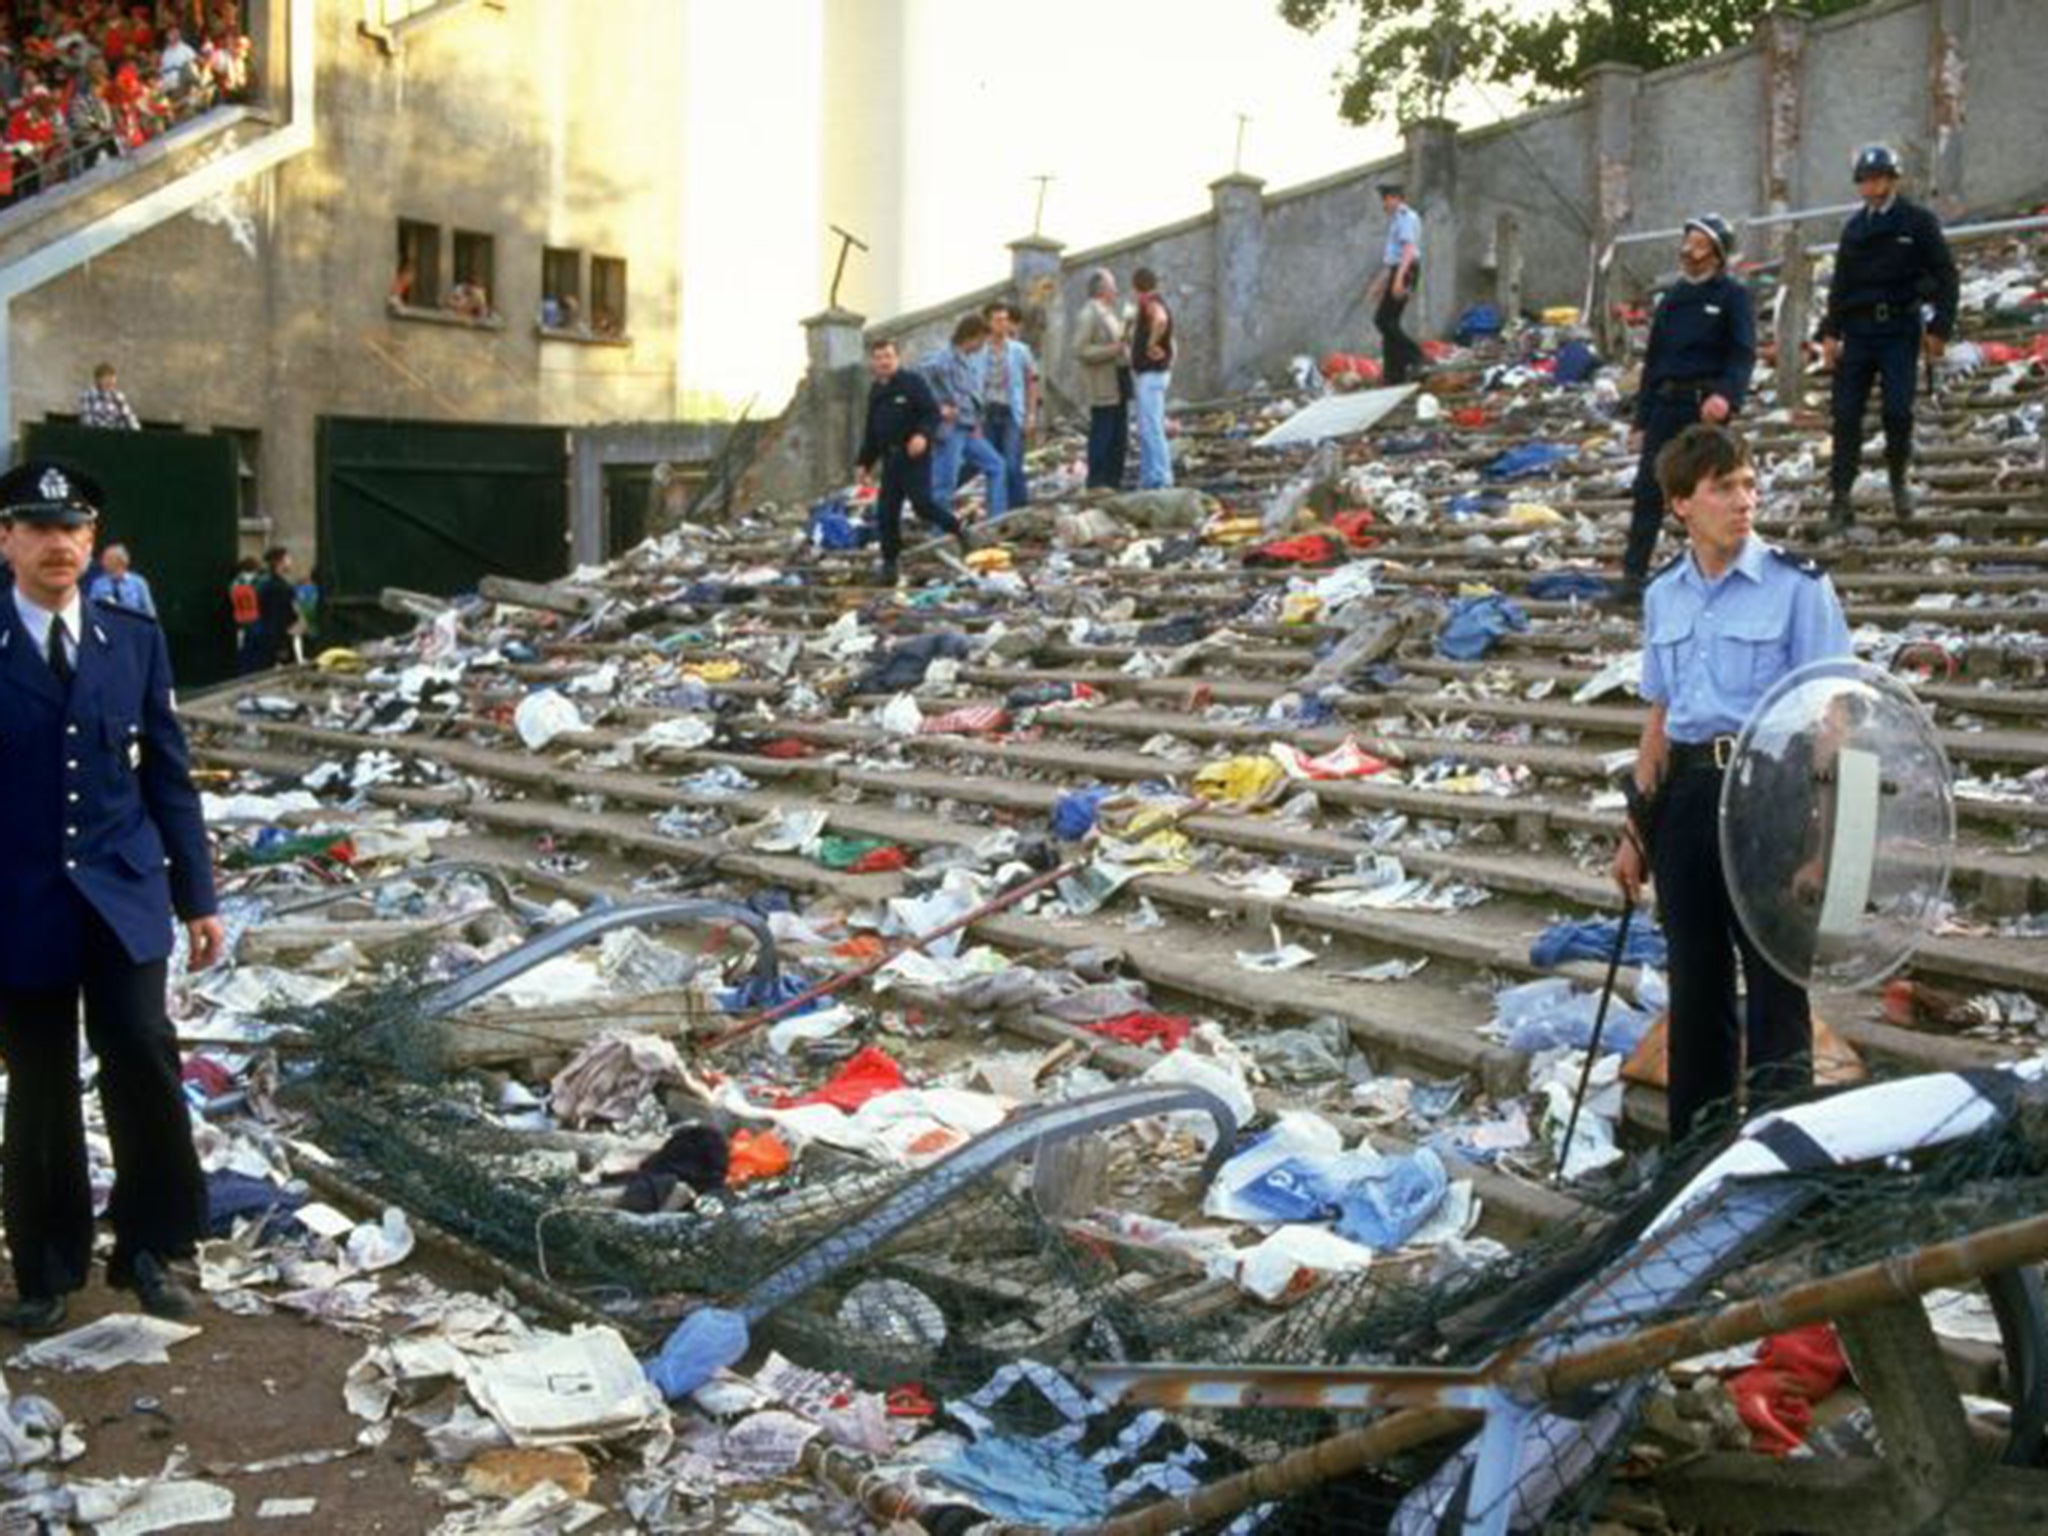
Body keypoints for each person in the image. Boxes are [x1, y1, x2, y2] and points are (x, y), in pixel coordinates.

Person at [0, 459, 225, 1334]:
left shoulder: (133, 638)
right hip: (18, 901)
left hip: (123, 893)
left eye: (75, 529)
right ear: (7, 540)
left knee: (141, 1052)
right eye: (40, 528)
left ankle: (157, 1250)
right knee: (42, 1079)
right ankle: (47, 1267)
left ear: (93, 542)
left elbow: (170, 777)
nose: (60, 545)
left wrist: (197, 896)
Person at [1613, 425, 1852, 1145]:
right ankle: (1698, 1159)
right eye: (1724, 488)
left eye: (1749, 483)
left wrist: (1822, 842)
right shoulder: (1665, 596)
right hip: (1687, 796)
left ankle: (1782, 1165)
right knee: (1696, 984)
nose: (1744, 500)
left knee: (1778, 989)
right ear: (1682, 504)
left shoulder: (1798, 587)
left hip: (1771, 792)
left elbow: (1831, 719)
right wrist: (1636, 832)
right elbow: (1660, 715)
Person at [1819, 144, 1958, 532]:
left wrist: (1939, 328)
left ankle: (1898, 480)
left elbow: (1946, 276)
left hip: (1899, 327)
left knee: (1898, 411)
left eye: (1879, 178)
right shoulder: (1854, 229)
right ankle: (1840, 498)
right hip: (1859, 330)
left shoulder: (1917, 222)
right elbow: (1841, 285)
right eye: (1865, 180)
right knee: (1845, 415)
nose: (1872, 186)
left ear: (1893, 180)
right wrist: (1831, 332)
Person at [1620, 215, 1754, 603]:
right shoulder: (1673, 299)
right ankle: (1633, 577)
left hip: (1705, 406)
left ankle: (1721, 576)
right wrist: (1641, 419)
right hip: (1667, 403)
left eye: (1698, 245)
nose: (1688, 252)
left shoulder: (1731, 296)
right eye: (1687, 243)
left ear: (1716, 253)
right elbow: (1654, 362)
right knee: (1648, 488)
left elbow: (1741, 353)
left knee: (1709, 493)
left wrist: (1727, 395)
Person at [854, 336, 967, 588]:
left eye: (888, 357)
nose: (884, 362)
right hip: (890, 460)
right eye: (879, 357)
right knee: (886, 513)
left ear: (897, 358)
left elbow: (931, 412)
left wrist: (922, 435)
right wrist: (863, 463)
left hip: (914, 456)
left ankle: (958, 528)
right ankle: (889, 564)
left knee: (922, 505)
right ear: (873, 361)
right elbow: (872, 431)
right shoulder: (876, 390)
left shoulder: (912, 383)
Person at [919, 314, 1008, 523]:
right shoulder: (943, 359)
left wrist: (976, 422)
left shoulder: (965, 359)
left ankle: (995, 521)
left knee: (997, 466)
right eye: (982, 340)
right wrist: (938, 408)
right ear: (973, 337)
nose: (983, 345)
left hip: (967, 428)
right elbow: (918, 383)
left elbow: (969, 396)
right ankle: (939, 533)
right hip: (950, 430)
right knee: (944, 485)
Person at [979, 299, 1038, 510]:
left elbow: (1031, 382)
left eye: (1005, 320)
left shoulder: (1020, 350)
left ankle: (1019, 508)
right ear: (988, 323)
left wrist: (1031, 415)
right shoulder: (979, 352)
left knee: (1013, 464)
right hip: (987, 413)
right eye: (997, 320)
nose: (1003, 325)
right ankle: (996, 511)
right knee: (993, 466)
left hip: (1012, 412)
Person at [1076, 268, 1129, 490]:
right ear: (1102, 289)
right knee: (1103, 433)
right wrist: (1112, 349)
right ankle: (1097, 481)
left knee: (1119, 434)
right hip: (1103, 384)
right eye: (1112, 285)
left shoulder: (1109, 312)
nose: (1116, 290)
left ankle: (1114, 480)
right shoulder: (1089, 314)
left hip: (1119, 380)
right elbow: (1080, 350)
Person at [1369, 181, 1423, 385]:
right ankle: (1394, 373)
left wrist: (1399, 279)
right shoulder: (1397, 220)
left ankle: (1416, 356)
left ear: (1396, 198)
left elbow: (1408, 250)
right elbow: (1393, 257)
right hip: (1400, 269)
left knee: (1383, 321)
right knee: (1389, 321)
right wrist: (1381, 283)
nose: (1383, 204)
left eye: (1386, 199)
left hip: (1405, 269)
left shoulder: (1405, 217)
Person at [1129, 267, 1174, 489]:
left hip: (1151, 374)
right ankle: (1150, 477)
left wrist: (1150, 344)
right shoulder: (1156, 301)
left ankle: (1160, 476)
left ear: (1137, 287)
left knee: (1151, 427)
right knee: (1148, 427)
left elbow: (1161, 321)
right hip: (1155, 374)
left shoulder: (1151, 303)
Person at [86, 539, 154, 616]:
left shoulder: (138, 583)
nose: (102, 562)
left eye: (106, 558)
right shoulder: (98, 584)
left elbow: (150, 614)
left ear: (118, 561)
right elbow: (91, 611)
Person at [255, 544, 298, 667]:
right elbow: (279, 618)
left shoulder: (266, 585)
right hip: (279, 640)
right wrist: (281, 646)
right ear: (280, 562)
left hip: (269, 639)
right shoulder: (280, 588)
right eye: (288, 558)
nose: (291, 562)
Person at [77, 361, 140, 429]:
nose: (111, 388)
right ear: (97, 381)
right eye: (107, 384)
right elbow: (88, 421)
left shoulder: (118, 396)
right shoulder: (88, 396)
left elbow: (129, 418)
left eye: (113, 385)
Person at [229, 554, 262, 673]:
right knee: (255, 651)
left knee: (242, 650)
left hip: (239, 619)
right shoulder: (258, 582)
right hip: (255, 619)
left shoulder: (235, 582)